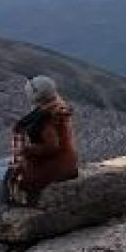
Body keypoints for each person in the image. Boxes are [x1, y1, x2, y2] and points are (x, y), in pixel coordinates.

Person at [11, 75, 79, 205]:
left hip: (51, 170)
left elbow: (51, 147)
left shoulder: (44, 117)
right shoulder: (59, 107)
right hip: (68, 164)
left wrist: (26, 150)